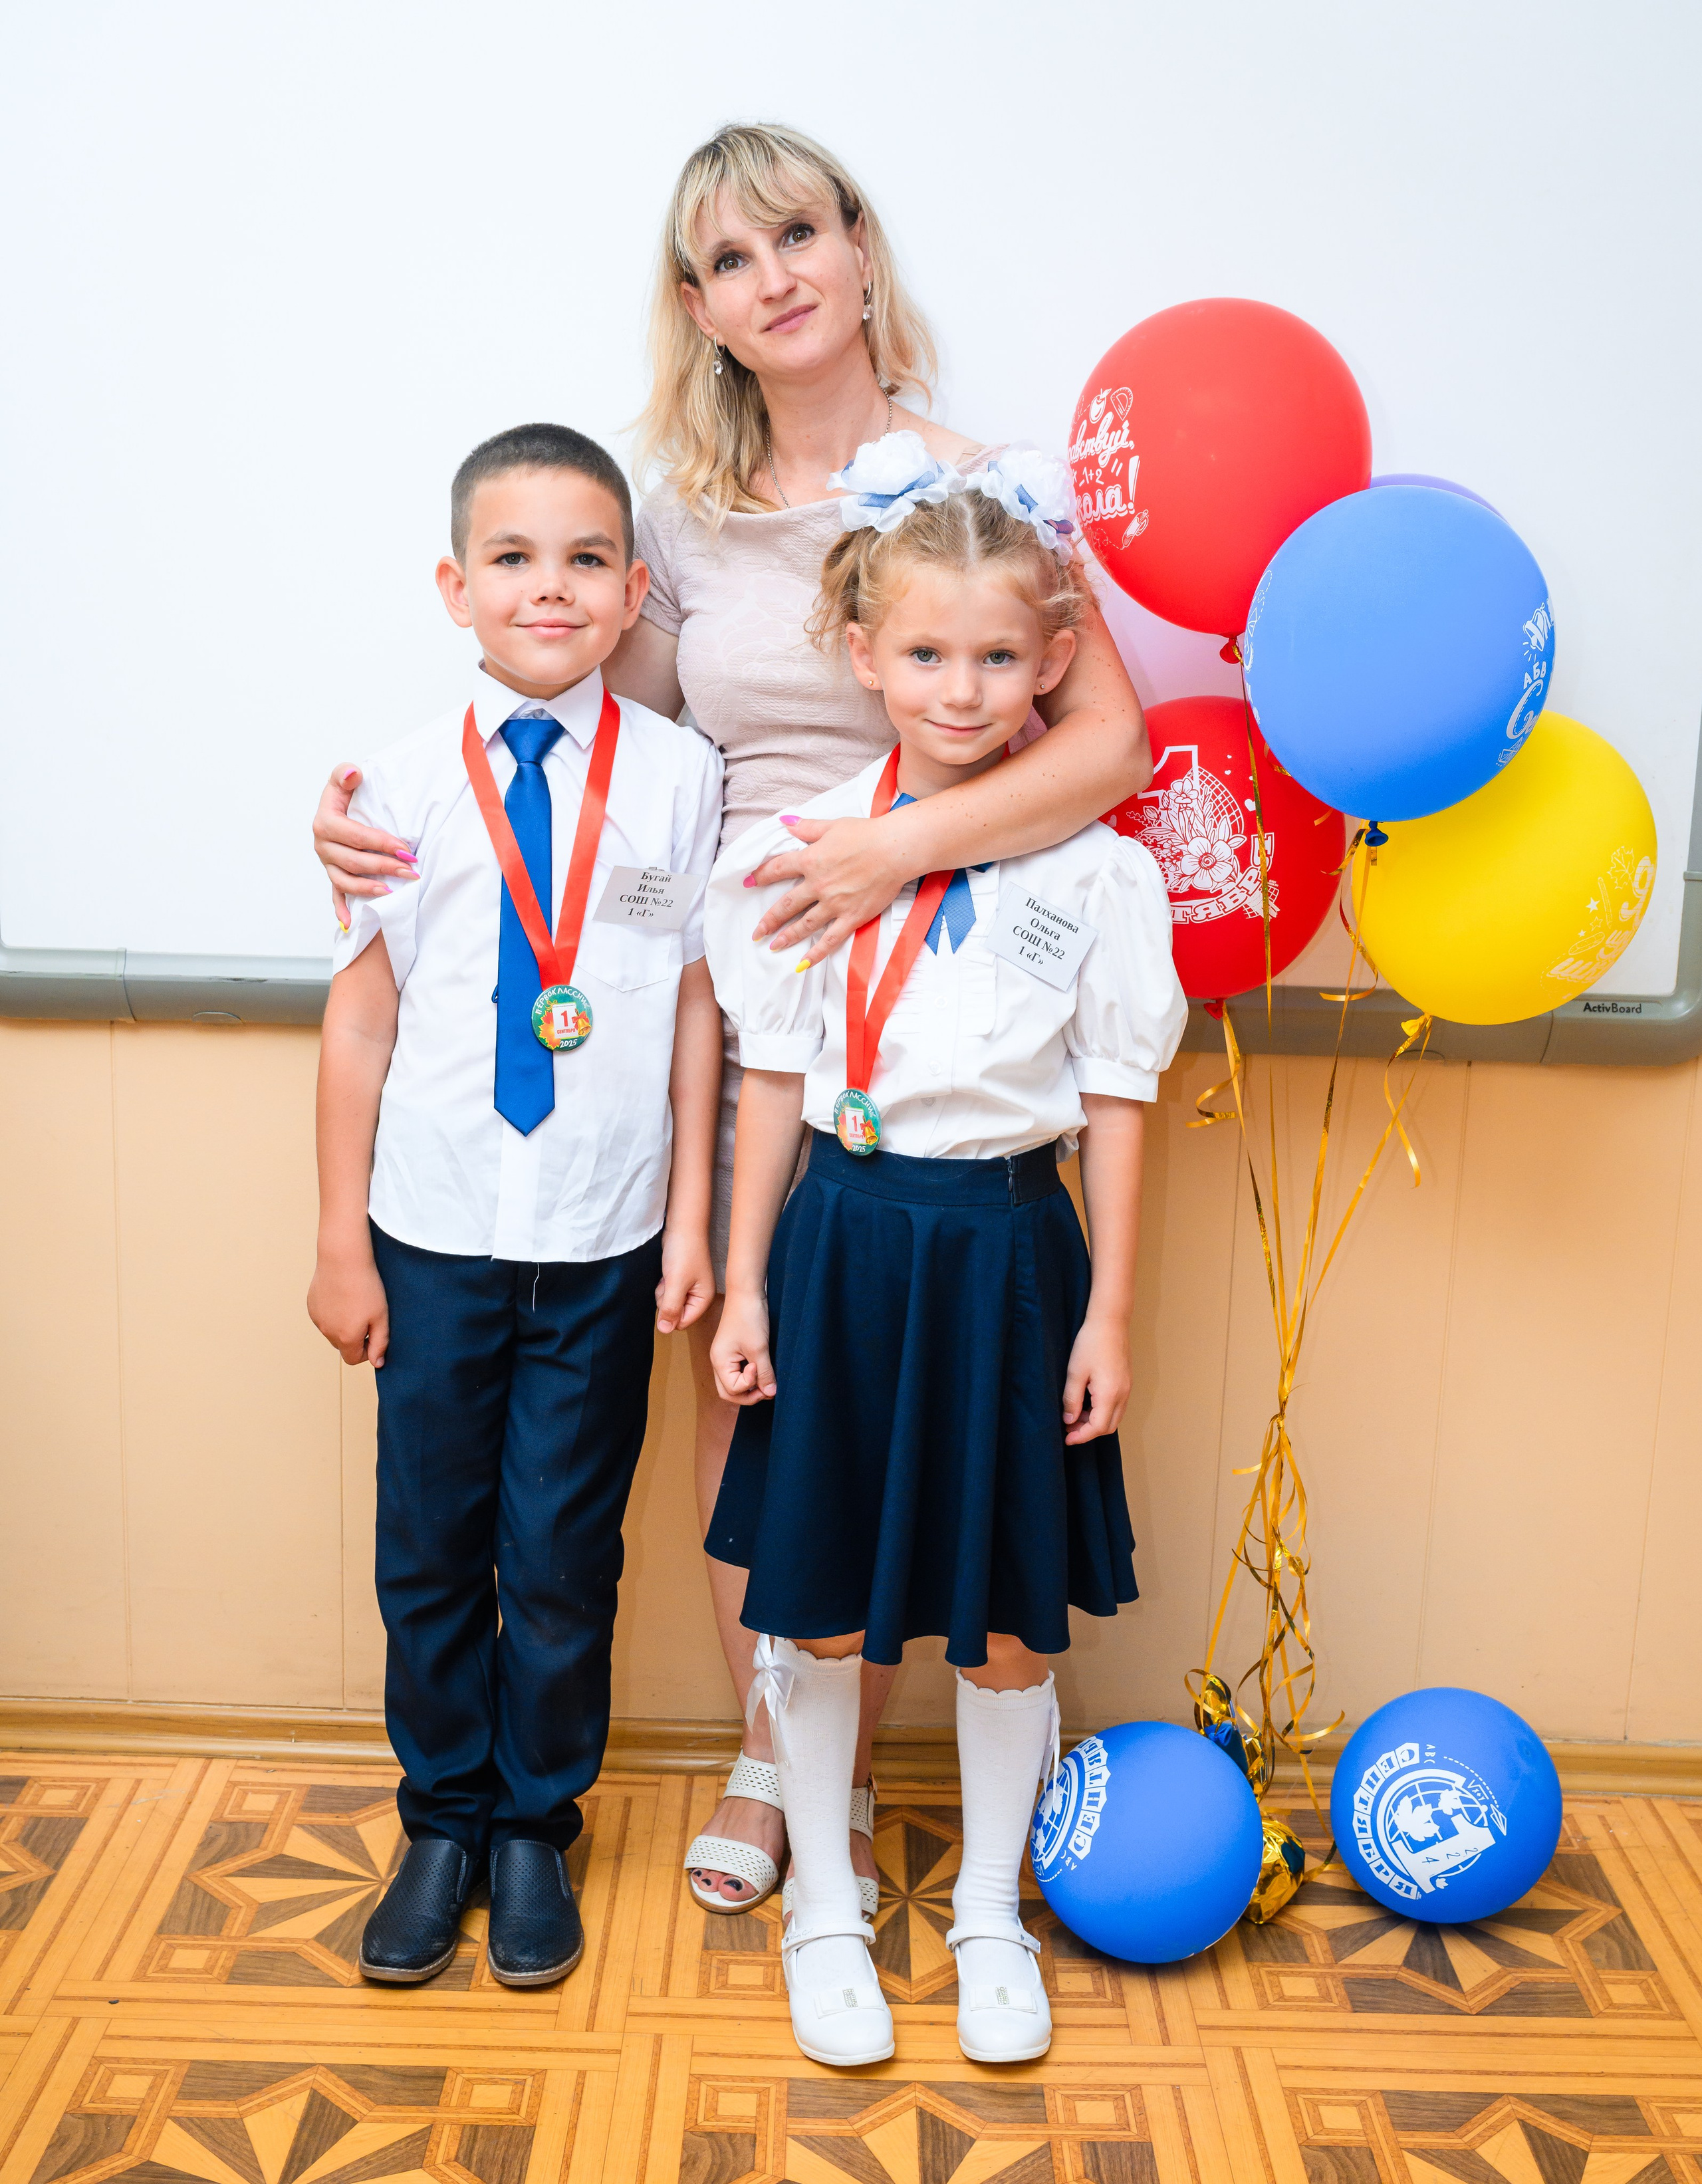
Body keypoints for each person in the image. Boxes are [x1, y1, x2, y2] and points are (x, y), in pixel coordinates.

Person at [306, 124, 1154, 1923]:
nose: (774, 274)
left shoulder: (979, 485)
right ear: (697, 304)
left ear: (856, 247)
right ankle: (782, 1760)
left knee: (921, 1378)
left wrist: (890, 848)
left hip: (930, 981)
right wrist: (364, 832)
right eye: (730, 255)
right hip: (739, 990)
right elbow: (548, 723)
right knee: (746, 1368)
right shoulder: (669, 512)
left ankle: (922, 1748)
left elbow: (1106, 746)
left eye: (800, 231)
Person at [703, 439, 1187, 2067]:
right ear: (861, 653)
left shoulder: (1099, 866)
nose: (961, 688)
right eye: (923, 653)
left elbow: (1116, 1099)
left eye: (995, 655)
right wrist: (749, 1274)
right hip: (841, 1237)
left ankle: (988, 1908)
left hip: (1005, 1249)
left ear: (1053, 656)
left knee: (1004, 1618)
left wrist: (1107, 1309)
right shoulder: (809, 845)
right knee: (823, 1598)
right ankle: (823, 1906)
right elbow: (770, 1079)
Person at [307, 423, 724, 1989]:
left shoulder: (682, 781)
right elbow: (361, 1017)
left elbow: (691, 1010)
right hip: (428, 1229)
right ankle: (443, 1816)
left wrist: (686, 1220)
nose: (549, 586)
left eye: (586, 558)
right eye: (513, 557)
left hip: (606, 1236)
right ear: (455, 586)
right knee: (429, 1540)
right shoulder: (394, 786)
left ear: (629, 593)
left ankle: (536, 1824)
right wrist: (340, 1238)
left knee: (561, 1547)